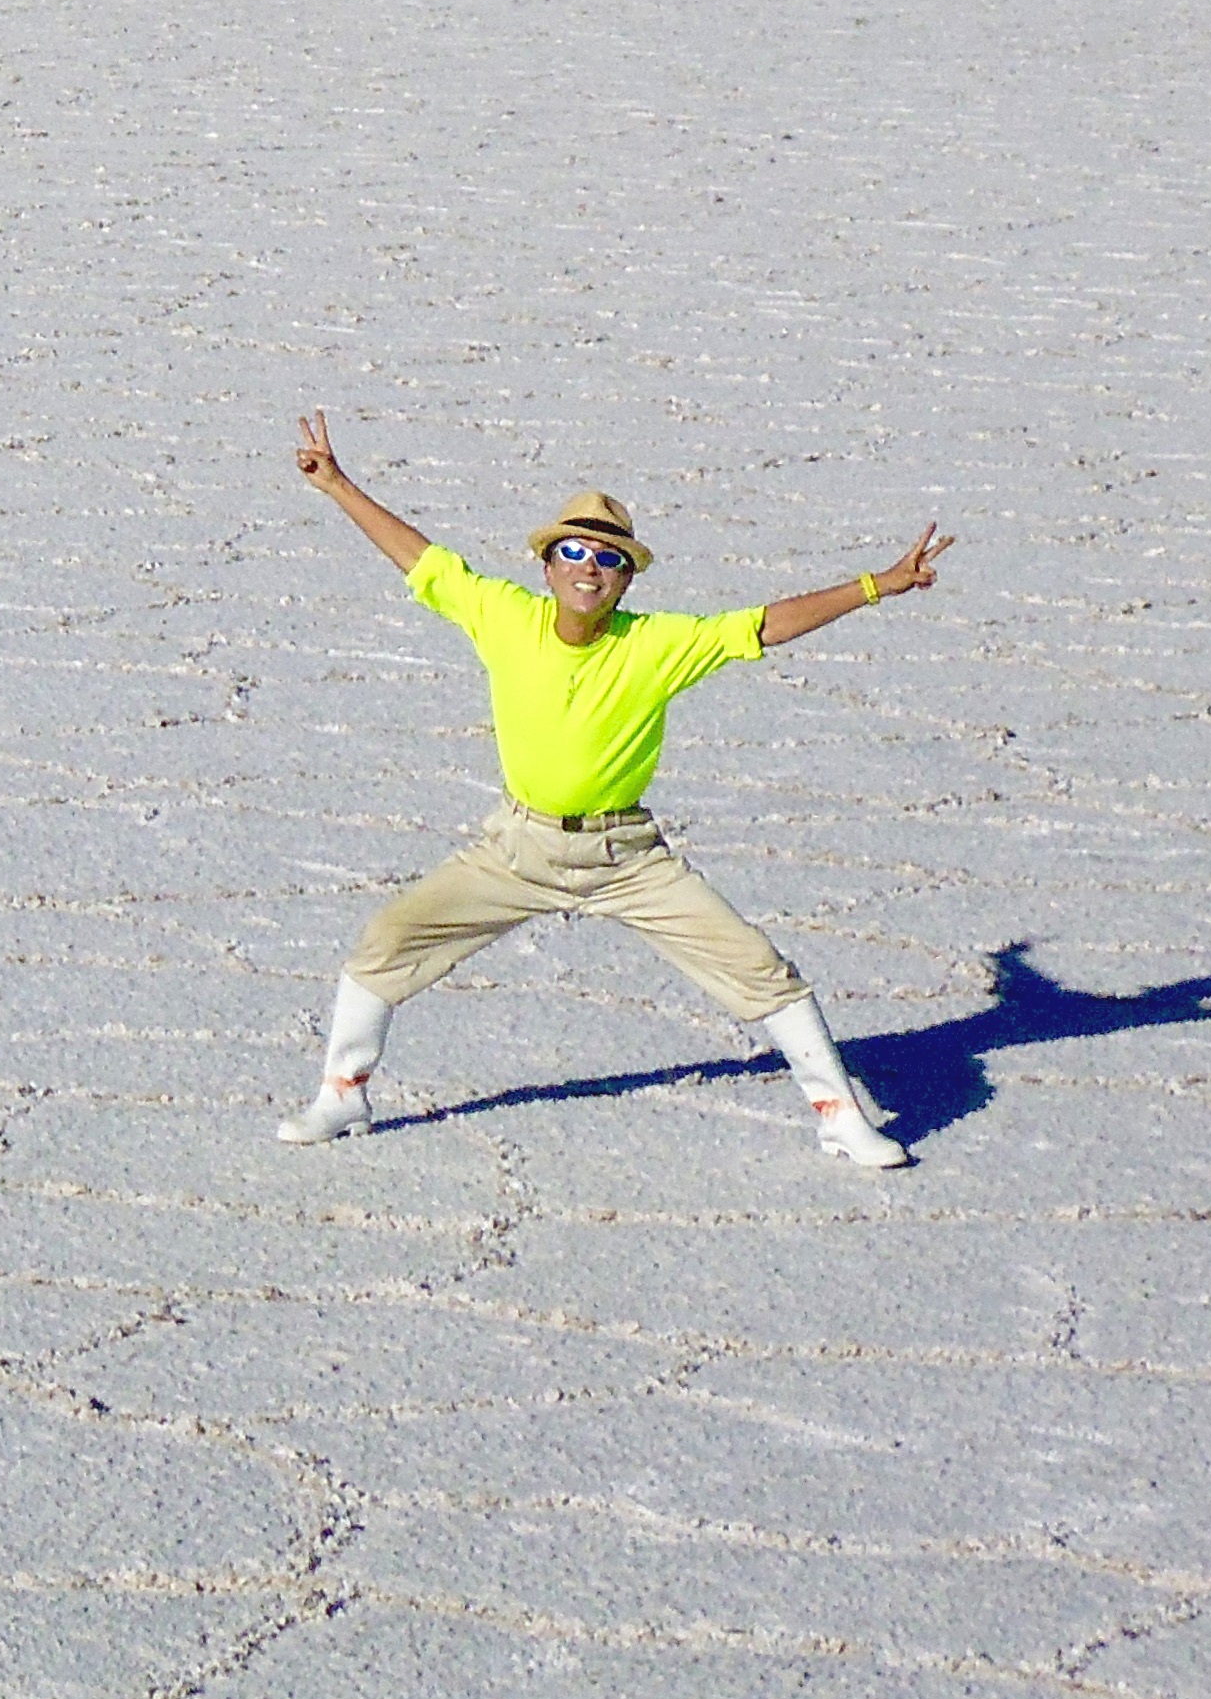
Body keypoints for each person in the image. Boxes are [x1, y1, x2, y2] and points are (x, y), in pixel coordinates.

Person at [282, 411, 952, 1167]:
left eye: (608, 556)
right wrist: (337, 484)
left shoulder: (657, 643)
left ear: (626, 576)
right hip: (516, 847)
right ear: (548, 564)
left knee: (761, 970)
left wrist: (877, 584)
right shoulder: (503, 616)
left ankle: (840, 1115)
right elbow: (423, 560)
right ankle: (343, 1093)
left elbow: (765, 624)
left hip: (625, 855)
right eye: (572, 550)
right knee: (385, 944)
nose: (588, 566)